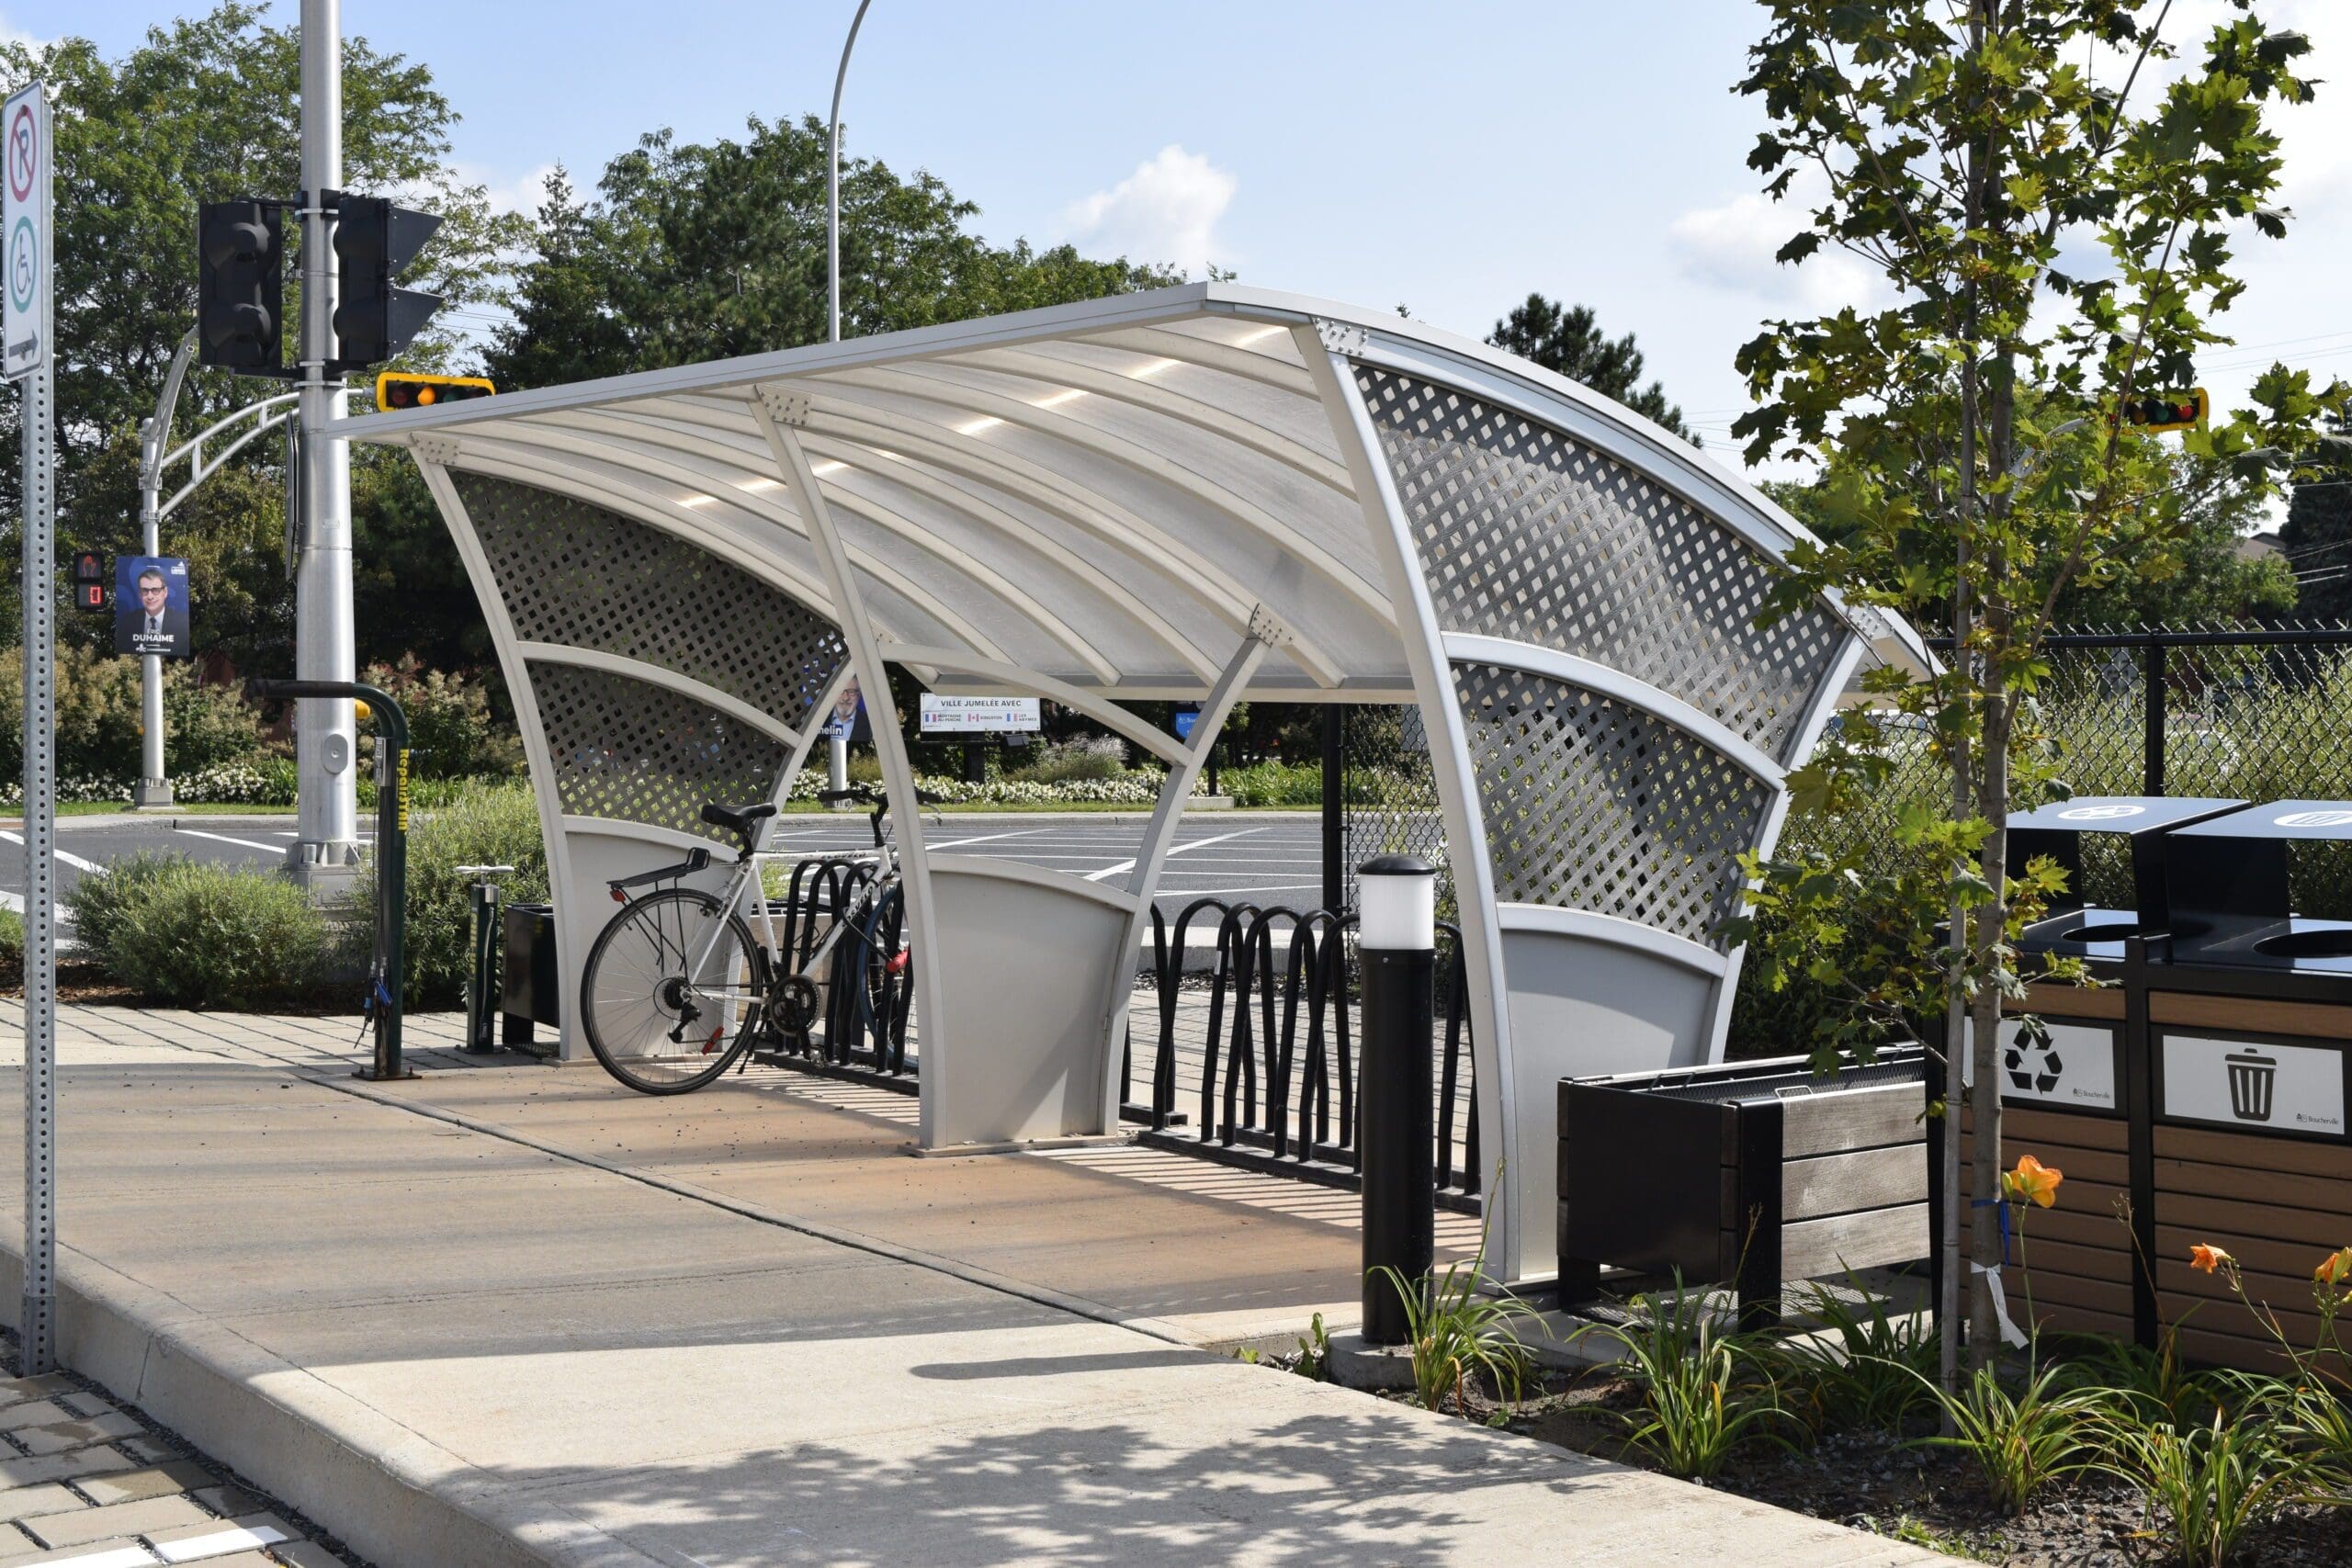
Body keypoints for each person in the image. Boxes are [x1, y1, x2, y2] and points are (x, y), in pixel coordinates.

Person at [120, 566, 187, 656]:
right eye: (145, 590)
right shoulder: (128, 622)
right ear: (139, 594)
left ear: (165, 592)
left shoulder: (181, 622)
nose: (150, 596)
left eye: (155, 590)